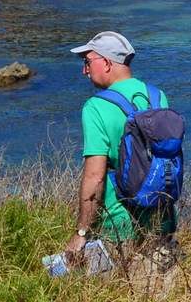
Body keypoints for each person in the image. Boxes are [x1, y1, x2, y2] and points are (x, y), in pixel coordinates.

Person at [65, 31, 180, 270]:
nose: (84, 71)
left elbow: (95, 177)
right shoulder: (158, 97)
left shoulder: (96, 106)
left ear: (106, 63)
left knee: (118, 299)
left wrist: (81, 232)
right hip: (162, 219)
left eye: (87, 62)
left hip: (119, 224)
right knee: (162, 300)